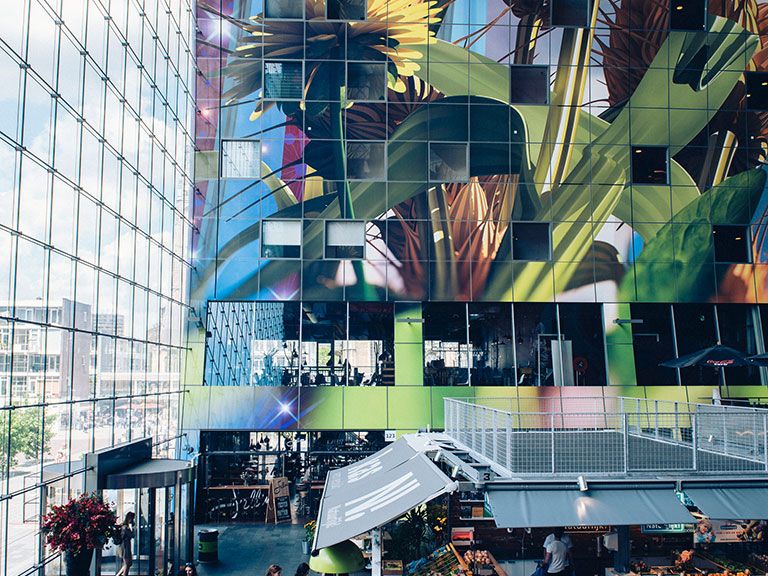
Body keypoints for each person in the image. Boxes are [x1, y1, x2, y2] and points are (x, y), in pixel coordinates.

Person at [115, 512, 135, 576]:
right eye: (132, 518)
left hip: (126, 546)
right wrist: (132, 527)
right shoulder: (125, 527)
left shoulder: (125, 526)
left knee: (128, 563)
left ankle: (118, 575)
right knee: (127, 563)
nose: (133, 520)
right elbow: (132, 535)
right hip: (125, 546)